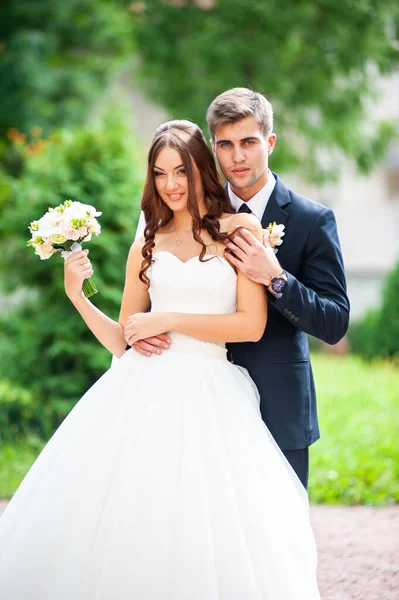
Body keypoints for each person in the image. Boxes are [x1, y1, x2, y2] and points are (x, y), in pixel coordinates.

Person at [0, 120, 320, 599]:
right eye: (160, 173)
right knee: (136, 516)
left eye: (182, 172)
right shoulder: (146, 242)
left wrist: (166, 318)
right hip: (143, 392)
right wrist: (79, 297)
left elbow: (249, 325)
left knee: (208, 522)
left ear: (201, 171)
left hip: (212, 392)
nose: (171, 185)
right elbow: (123, 340)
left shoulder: (238, 229)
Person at [134, 88, 350, 488]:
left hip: (276, 401)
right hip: (194, 401)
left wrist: (276, 277)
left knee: (279, 534)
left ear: (269, 142)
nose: (238, 156)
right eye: (226, 144)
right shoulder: (193, 214)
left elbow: (334, 322)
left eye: (249, 142)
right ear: (212, 149)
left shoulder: (312, 219)